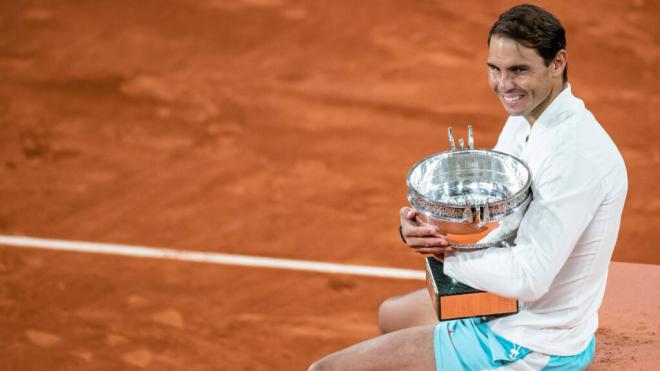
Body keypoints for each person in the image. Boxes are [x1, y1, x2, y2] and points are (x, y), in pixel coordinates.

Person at [309, 3, 628, 371]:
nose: (503, 85)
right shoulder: (528, 121)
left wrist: (448, 253)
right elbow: (492, 212)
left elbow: (530, 277)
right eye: (495, 69)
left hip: (531, 343)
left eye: (519, 70)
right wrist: (423, 227)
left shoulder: (573, 156)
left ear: (557, 63)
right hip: (502, 307)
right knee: (390, 315)